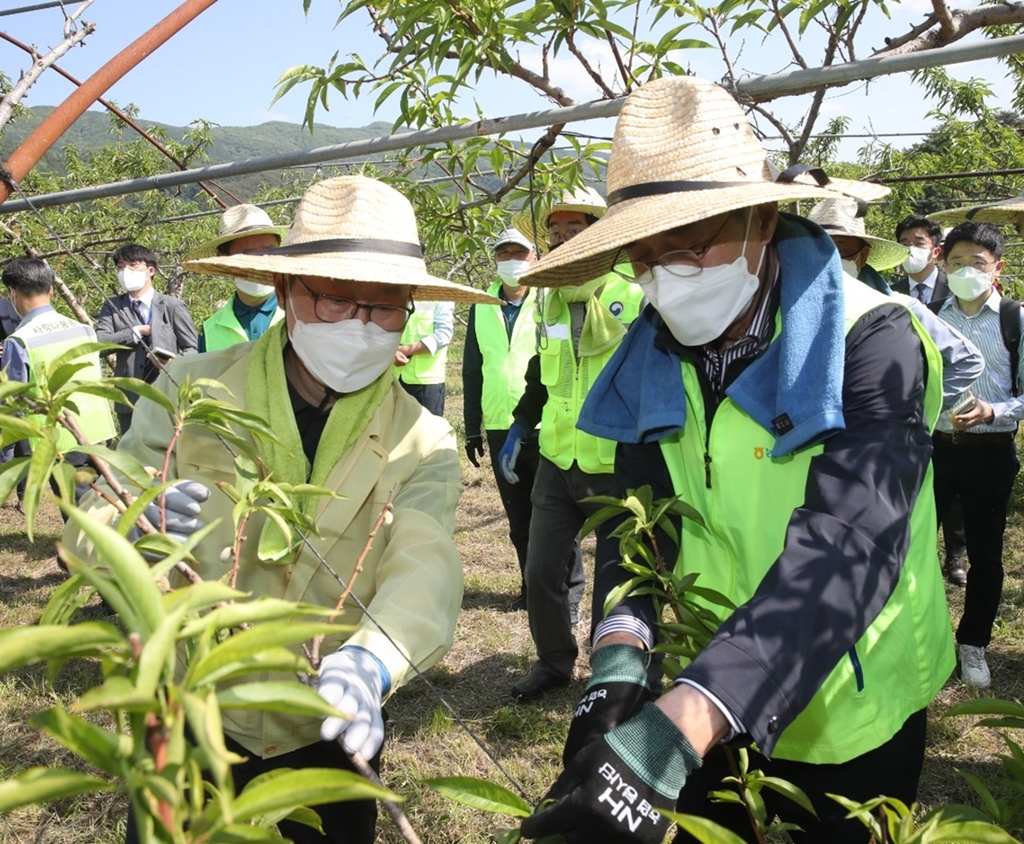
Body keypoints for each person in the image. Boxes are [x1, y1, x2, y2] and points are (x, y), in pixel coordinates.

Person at [518, 75, 953, 844]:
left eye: (687, 242)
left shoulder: (872, 341)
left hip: (850, 698)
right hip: (707, 674)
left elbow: (848, 547)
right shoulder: (646, 358)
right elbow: (638, 528)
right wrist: (620, 660)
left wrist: (680, 723)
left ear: (758, 215)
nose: (666, 274)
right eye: (644, 256)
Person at [64, 175, 496, 844]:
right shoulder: (191, 390)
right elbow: (94, 519)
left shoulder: (422, 437)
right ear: (288, 292)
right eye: (337, 299)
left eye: (387, 307)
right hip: (194, 708)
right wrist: (133, 522)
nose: (363, 323)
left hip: (324, 722)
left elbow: (425, 561)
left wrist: (373, 660)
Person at [502, 186, 645, 700]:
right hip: (558, 456)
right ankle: (554, 661)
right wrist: (521, 423)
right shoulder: (549, 297)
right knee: (541, 568)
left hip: (616, 461)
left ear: (600, 232)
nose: (563, 240)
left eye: (574, 230)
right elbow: (544, 370)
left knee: (617, 578)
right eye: (556, 233)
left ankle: (614, 673)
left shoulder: (634, 294)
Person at [462, 227, 579, 611]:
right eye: (503, 252)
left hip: (546, 422)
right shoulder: (481, 304)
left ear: (535, 257)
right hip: (499, 422)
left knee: (557, 513)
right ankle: (531, 590)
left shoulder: (549, 298)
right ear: (495, 260)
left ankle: (571, 589)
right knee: (519, 516)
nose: (511, 259)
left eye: (520, 252)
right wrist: (471, 424)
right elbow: (472, 367)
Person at [928, 221, 1024, 690]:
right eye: (958, 262)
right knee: (916, 549)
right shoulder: (927, 314)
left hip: (991, 453)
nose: (967, 270)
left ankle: (973, 644)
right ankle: (924, 638)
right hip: (934, 451)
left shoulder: (1014, 319)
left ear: (997, 268)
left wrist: (994, 410)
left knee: (985, 556)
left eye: (978, 263)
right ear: (942, 264)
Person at [2, 258, 116, 510]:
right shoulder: (83, 330)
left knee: (76, 508)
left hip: (57, 438)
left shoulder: (19, 340)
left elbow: (11, 402)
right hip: (96, 430)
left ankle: (82, 549)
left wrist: (5, 451)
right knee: (100, 499)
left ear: (13, 293)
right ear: (51, 289)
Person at [893, 214, 967, 583]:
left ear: (936, 251)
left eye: (918, 241)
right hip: (906, 397)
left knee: (951, 482)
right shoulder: (890, 292)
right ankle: (917, 550)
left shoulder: (955, 292)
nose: (910, 248)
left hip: (948, 403)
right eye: (903, 240)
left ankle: (956, 555)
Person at [95, 243, 198, 433]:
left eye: (132, 265)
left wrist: (175, 362)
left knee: (168, 451)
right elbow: (99, 344)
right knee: (132, 452)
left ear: (151, 270)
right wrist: (136, 332)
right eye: (120, 267)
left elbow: (193, 348)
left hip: (168, 394)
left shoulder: (172, 306)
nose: (125, 271)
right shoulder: (112, 306)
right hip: (129, 399)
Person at [183, 204, 288, 352]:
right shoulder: (211, 330)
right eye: (248, 255)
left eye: (270, 251)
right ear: (223, 260)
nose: (261, 262)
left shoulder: (304, 313)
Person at [394, 299, 454, 416]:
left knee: (427, 432)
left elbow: (443, 335)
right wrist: (392, 352)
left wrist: (407, 350)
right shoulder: (396, 293)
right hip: (394, 379)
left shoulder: (441, 297)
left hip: (427, 381)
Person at [892, 214, 951, 305]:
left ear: (936, 252)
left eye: (919, 243)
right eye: (905, 245)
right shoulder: (891, 294)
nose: (911, 250)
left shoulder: (954, 288)